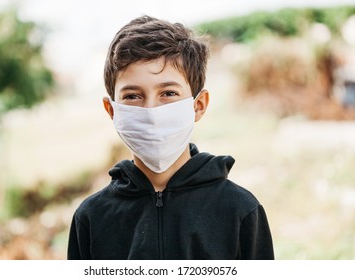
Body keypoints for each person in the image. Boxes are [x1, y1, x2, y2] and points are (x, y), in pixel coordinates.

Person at [67, 15, 274, 260]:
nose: (152, 111)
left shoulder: (240, 210)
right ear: (112, 110)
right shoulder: (91, 218)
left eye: (168, 93)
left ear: (198, 106)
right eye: (133, 96)